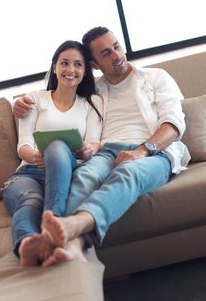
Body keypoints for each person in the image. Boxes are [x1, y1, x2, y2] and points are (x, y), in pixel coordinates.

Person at [13, 27, 191, 267]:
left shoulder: (156, 77)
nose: (116, 55)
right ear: (95, 65)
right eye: (106, 53)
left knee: (129, 172)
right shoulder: (93, 93)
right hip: (107, 152)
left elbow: (174, 124)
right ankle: (71, 245)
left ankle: (72, 229)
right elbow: (60, 94)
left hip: (154, 152)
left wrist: (142, 150)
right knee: (84, 175)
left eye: (116, 46)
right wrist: (20, 103)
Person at [3, 40, 103, 266]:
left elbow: (94, 143)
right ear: (55, 67)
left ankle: (53, 224)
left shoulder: (91, 103)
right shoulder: (35, 99)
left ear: (85, 71)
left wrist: (89, 149)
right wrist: (36, 157)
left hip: (65, 171)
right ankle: (27, 244)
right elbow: (24, 146)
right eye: (64, 63)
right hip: (29, 173)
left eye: (78, 64)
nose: (71, 70)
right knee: (31, 201)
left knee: (57, 147)